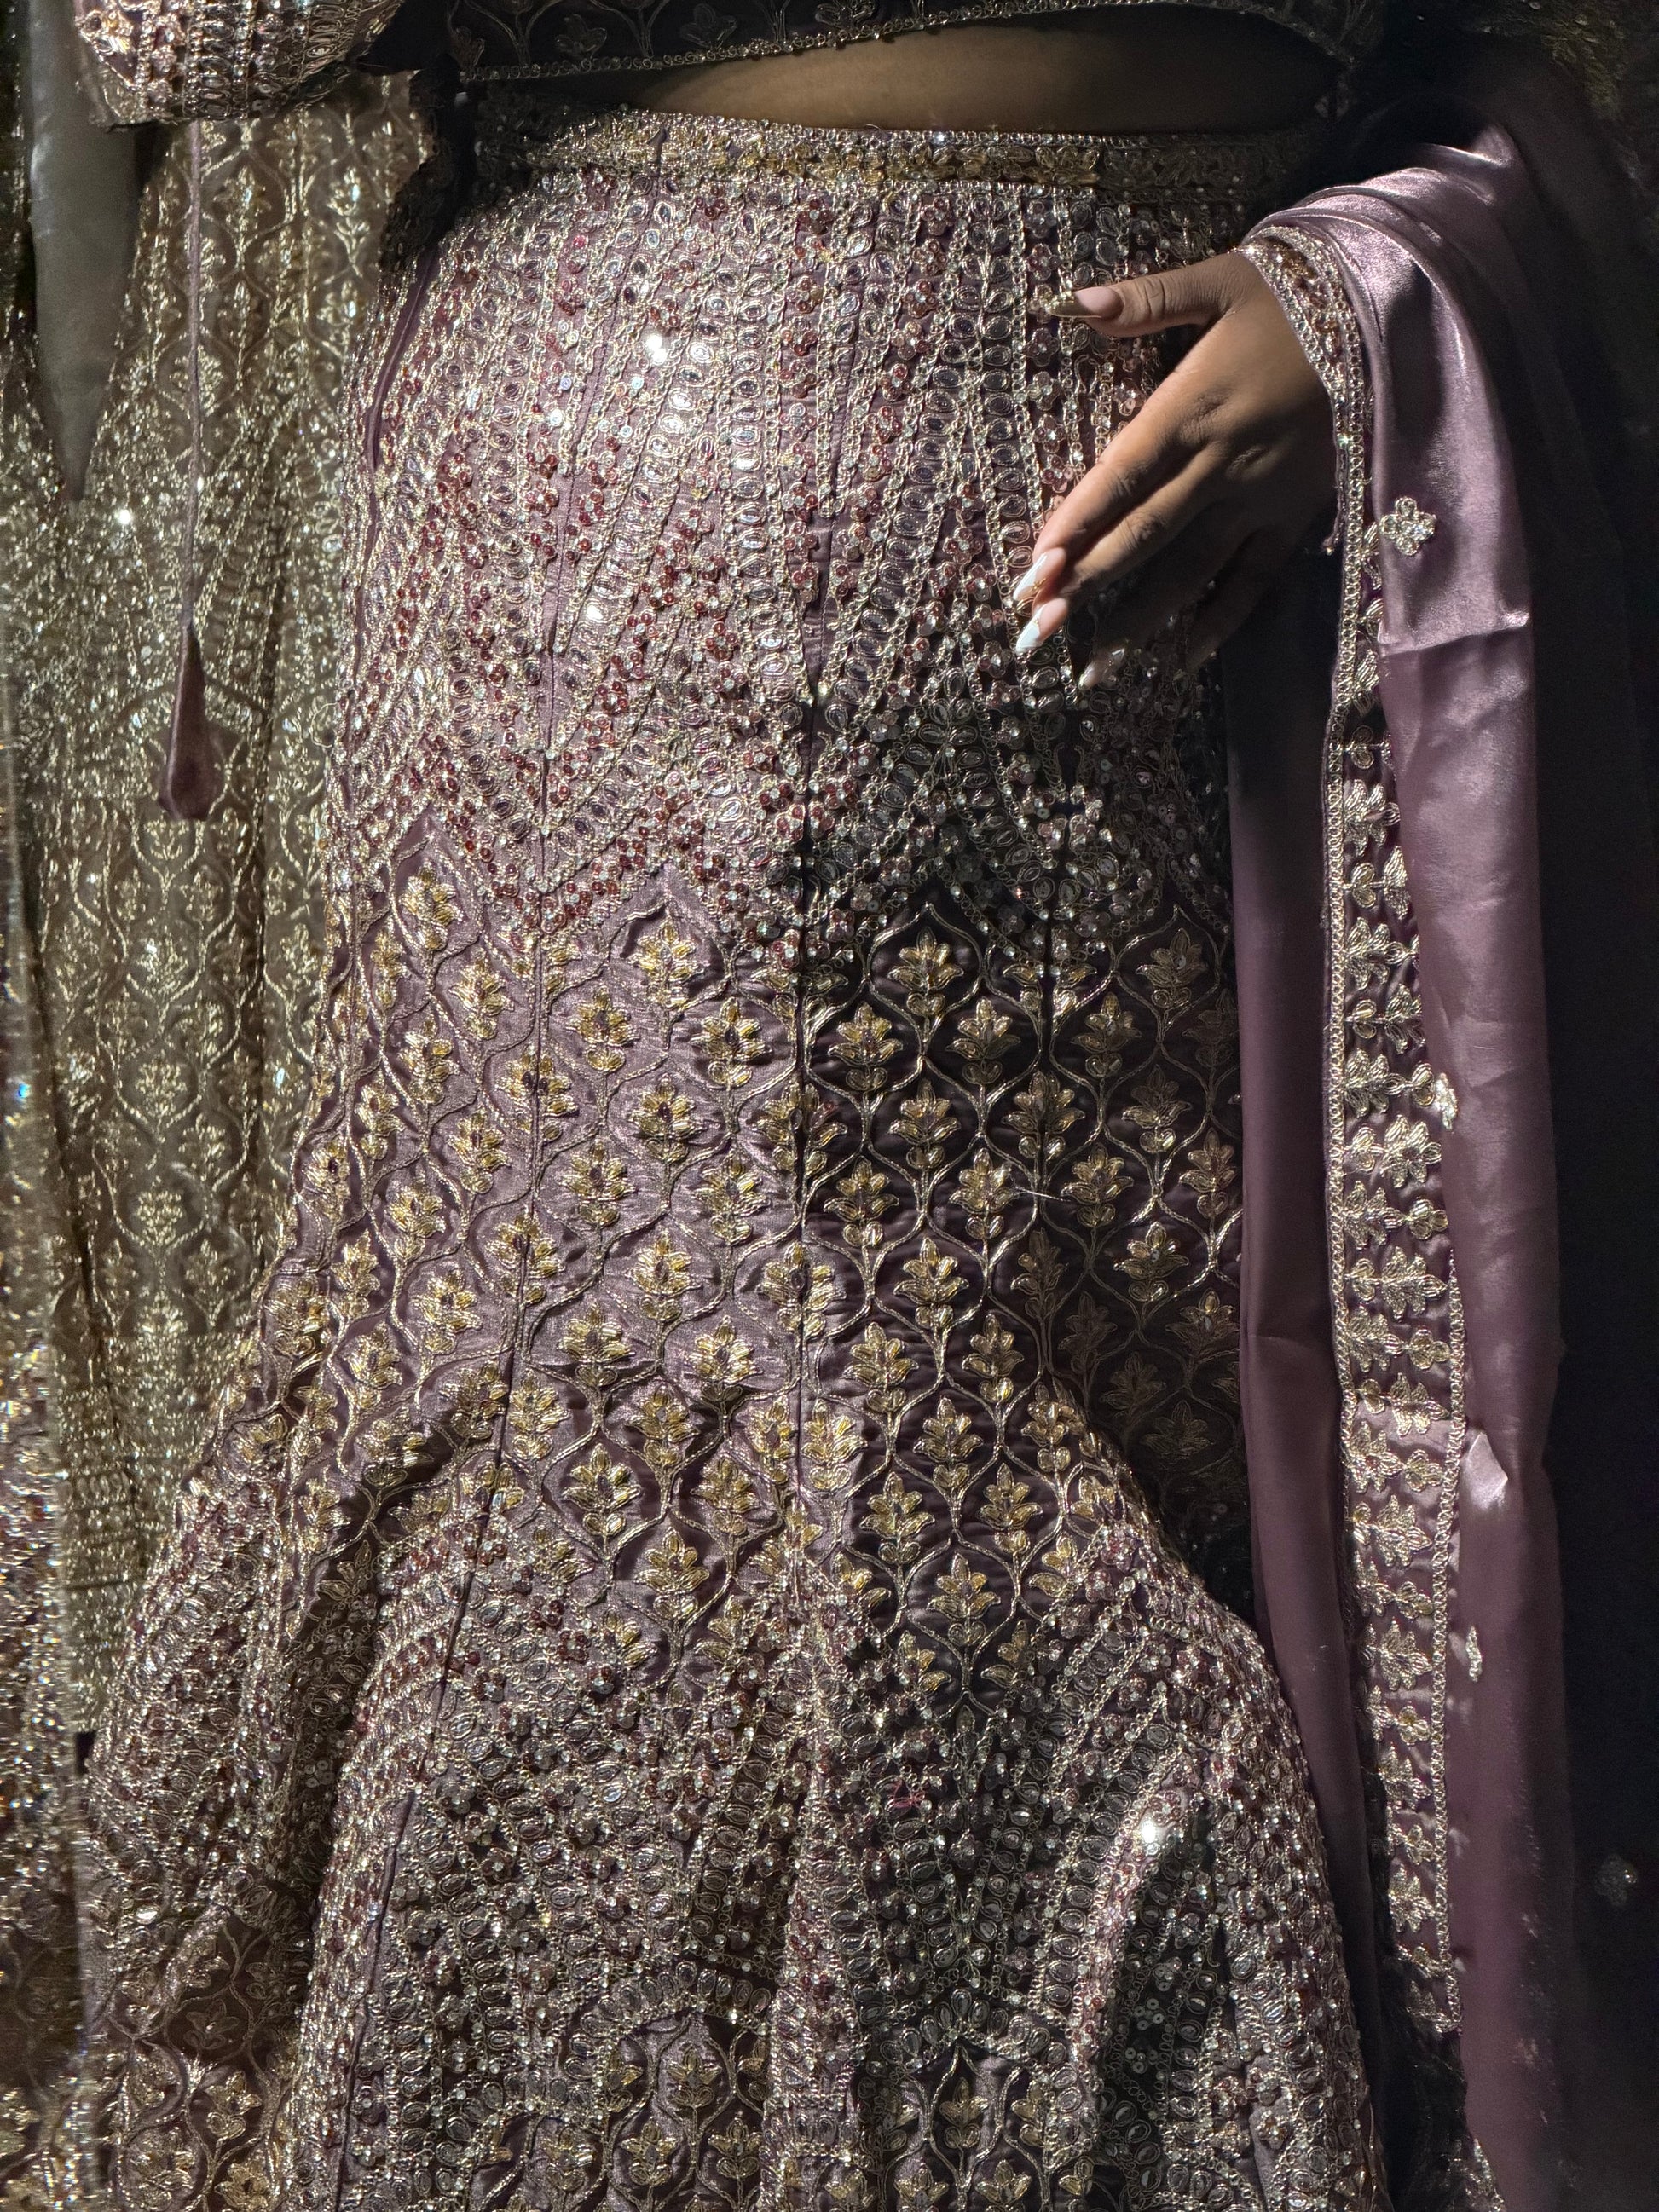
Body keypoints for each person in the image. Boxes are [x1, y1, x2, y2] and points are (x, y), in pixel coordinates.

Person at [62, 0, 1659, 2203]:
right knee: (616, 1526)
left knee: (1107, 1518)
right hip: (608, 570)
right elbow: (183, 27)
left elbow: (1579, 63)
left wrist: (1373, 295)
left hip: (1187, 540)